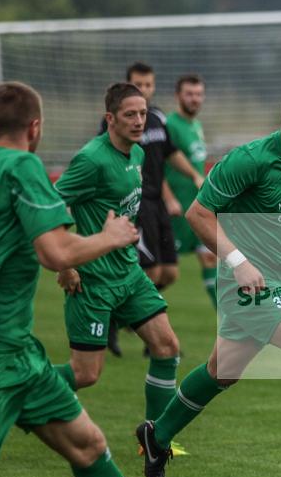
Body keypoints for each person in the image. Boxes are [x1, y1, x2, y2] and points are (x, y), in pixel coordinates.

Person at [0, 81, 226, 477]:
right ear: (35, 128)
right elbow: (55, 253)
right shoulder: (23, 166)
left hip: (16, 350)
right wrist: (111, 236)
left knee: (89, 444)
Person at [136, 86, 281, 477]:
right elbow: (198, 214)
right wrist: (238, 263)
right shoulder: (249, 160)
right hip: (250, 285)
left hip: (280, 279)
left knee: (223, 372)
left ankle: (157, 435)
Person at [53, 83, 187, 453]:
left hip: (129, 274)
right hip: (92, 280)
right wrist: (64, 264)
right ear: (109, 118)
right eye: (130, 114)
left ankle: (156, 440)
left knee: (167, 347)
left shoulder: (139, 155)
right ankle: (20, 387)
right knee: (86, 374)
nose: (139, 121)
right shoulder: (90, 159)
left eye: (142, 113)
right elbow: (52, 205)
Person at [102, 62, 204, 357]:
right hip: (137, 203)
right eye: (138, 84)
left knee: (170, 273)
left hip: (157, 204)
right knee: (151, 271)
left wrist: (194, 175)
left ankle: (116, 317)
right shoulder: (114, 123)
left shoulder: (157, 118)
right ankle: (153, 340)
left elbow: (170, 154)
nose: (144, 90)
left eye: (148, 85)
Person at [164, 74, 218, 309]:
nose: (194, 99)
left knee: (210, 256)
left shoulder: (196, 125)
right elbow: (155, 165)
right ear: (178, 96)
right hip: (174, 208)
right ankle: (129, 313)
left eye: (198, 94)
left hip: (196, 206)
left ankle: (227, 319)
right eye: (189, 94)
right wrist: (167, 198)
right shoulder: (170, 125)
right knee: (162, 272)